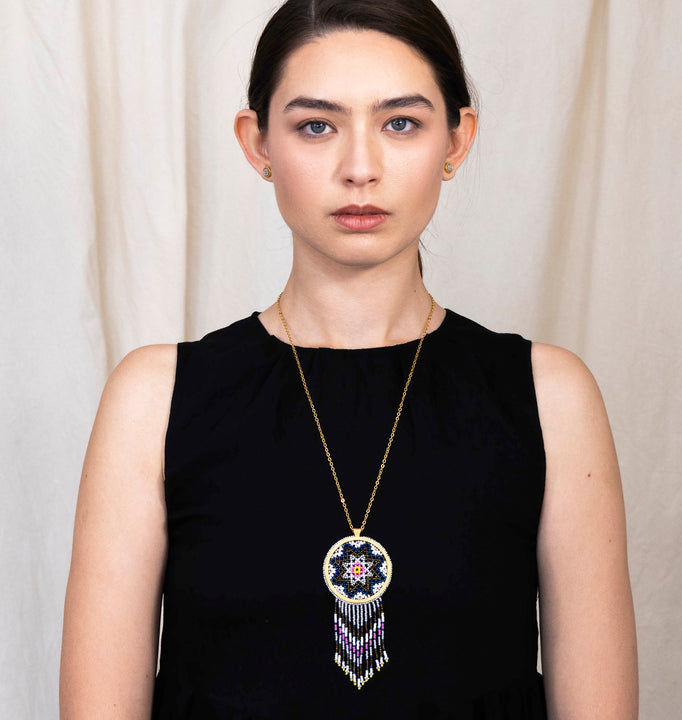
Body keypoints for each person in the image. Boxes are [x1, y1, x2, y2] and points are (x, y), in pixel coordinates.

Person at [59, 0, 638, 717]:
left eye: (401, 123)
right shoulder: (155, 399)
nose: (360, 168)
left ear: (457, 140)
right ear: (258, 143)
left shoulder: (549, 396)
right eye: (316, 126)